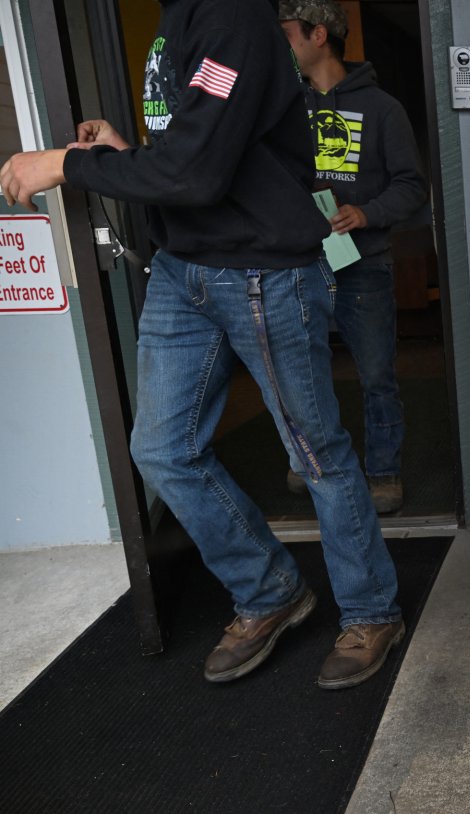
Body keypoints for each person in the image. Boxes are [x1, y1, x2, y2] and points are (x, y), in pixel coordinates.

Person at [0, 0, 405, 690]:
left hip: (263, 275)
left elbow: (196, 174)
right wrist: (125, 156)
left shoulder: (235, 20)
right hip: (184, 269)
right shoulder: (177, 22)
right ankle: (271, 590)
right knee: (162, 450)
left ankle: (372, 612)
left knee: (316, 455)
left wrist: (69, 163)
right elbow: (203, 149)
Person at [278, 0, 427, 515]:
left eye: (289, 35)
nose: (282, 47)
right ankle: (309, 463)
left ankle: (383, 472)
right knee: (300, 372)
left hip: (363, 262)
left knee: (376, 375)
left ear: (319, 36)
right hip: (296, 262)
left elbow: (413, 186)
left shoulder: (382, 108)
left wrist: (366, 213)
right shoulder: (282, 107)